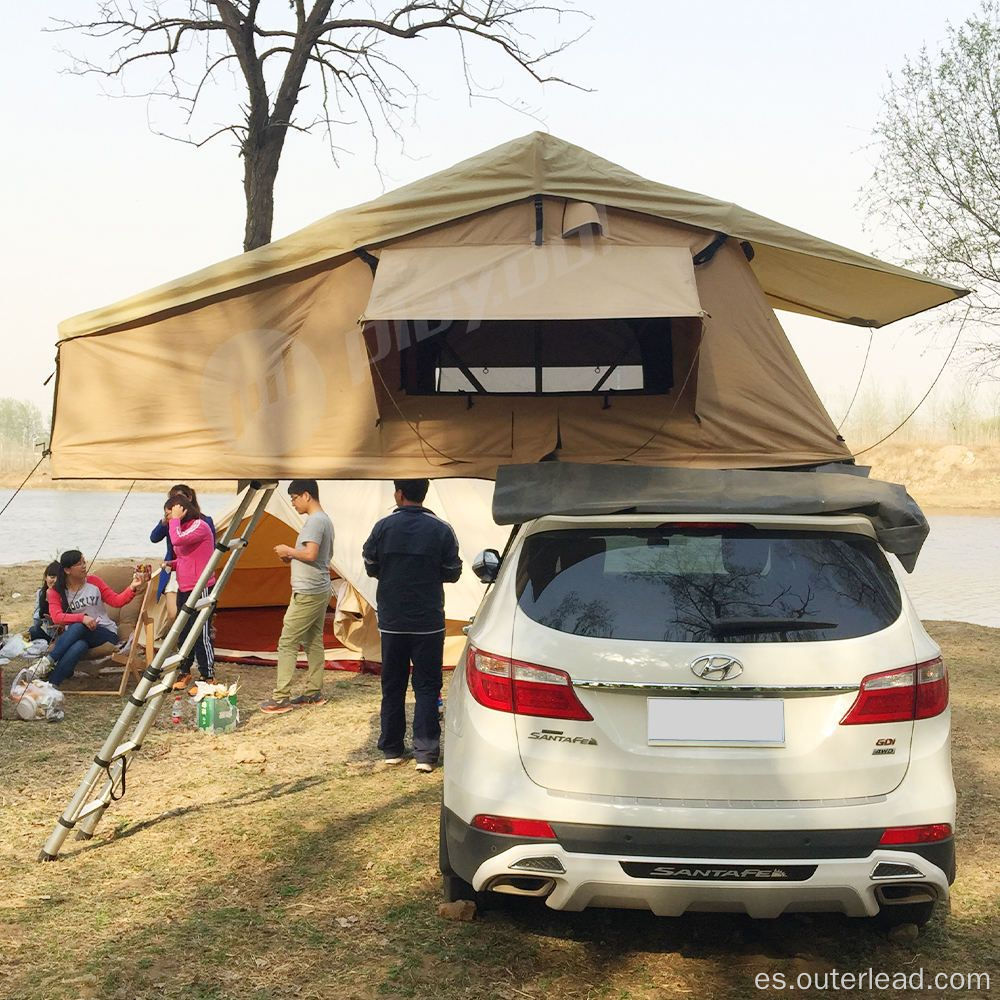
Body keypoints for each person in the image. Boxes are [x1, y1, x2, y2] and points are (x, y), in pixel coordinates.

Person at [362, 478, 462, 772]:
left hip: (392, 621)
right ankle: (426, 754)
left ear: (399, 493)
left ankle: (392, 748)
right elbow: (453, 572)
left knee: (392, 685)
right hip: (428, 621)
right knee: (428, 686)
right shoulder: (442, 529)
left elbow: (370, 564)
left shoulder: (383, 527)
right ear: (424, 494)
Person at [259, 480, 335, 714]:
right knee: (313, 641)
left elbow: (311, 554)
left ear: (306, 496)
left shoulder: (315, 521)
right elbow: (312, 555)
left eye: (293, 498)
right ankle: (313, 692)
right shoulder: (324, 520)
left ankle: (281, 697)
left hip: (309, 591)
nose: (292, 503)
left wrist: (288, 551)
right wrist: (291, 557)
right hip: (319, 588)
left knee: (287, 641)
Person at [33, 551, 145, 688]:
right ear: (67, 570)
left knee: (79, 626)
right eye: (79, 564)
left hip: (105, 633)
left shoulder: (94, 582)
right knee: (80, 644)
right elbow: (57, 618)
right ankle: (52, 685)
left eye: (84, 562)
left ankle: (47, 662)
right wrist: (83, 618)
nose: (84, 566)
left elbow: (116, 601)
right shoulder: (55, 592)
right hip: (76, 636)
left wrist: (132, 587)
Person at [166, 493, 218, 689]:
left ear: (182, 509)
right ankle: (184, 671)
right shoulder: (182, 527)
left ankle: (207, 676)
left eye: (171, 513)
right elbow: (185, 555)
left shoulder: (199, 525)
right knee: (184, 630)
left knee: (200, 631)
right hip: (184, 586)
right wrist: (172, 564)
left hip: (201, 587)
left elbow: (177, 541)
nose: (169, 518)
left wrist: (175, 520)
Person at [151, 484, 216, 622]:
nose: (175, 507)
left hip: (197, 579)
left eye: (179, 499)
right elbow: (154, 538)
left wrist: (174, 520)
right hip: (179, 571)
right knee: (176, 616)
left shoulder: (201, 522)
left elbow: (177, 540)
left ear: (189, 499)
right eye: (172, 499)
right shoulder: (171, 522)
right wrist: (165, 520)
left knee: (193, 621)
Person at [29, 561, 60, 642]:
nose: (55, 581)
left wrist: (55, 620)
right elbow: (36, 622)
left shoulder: (66, 593)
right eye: (52, 577)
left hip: (63, 635)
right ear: (46, 578)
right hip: (49, 635)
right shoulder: (41, 593)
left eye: (58, 578)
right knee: (33, 630)